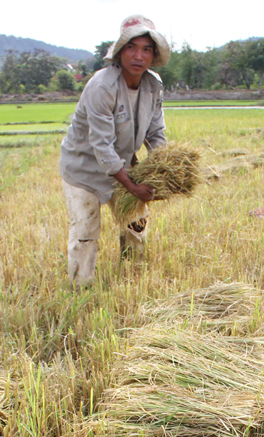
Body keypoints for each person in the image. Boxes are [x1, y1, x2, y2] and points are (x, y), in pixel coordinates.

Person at [59, 14, 170, 285]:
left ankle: (132, 279)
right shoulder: (102, 86)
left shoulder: (153, 86)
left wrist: (163, 171)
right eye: (131, 47)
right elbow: (101, 146)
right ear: (120, 52)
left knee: (137, 223)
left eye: (146, 49)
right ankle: (80, 288)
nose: (138, 56)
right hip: (83, 167)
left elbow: (156, 134)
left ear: (153, 55)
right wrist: (133, 187)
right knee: (85, 230)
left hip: (121, 162)